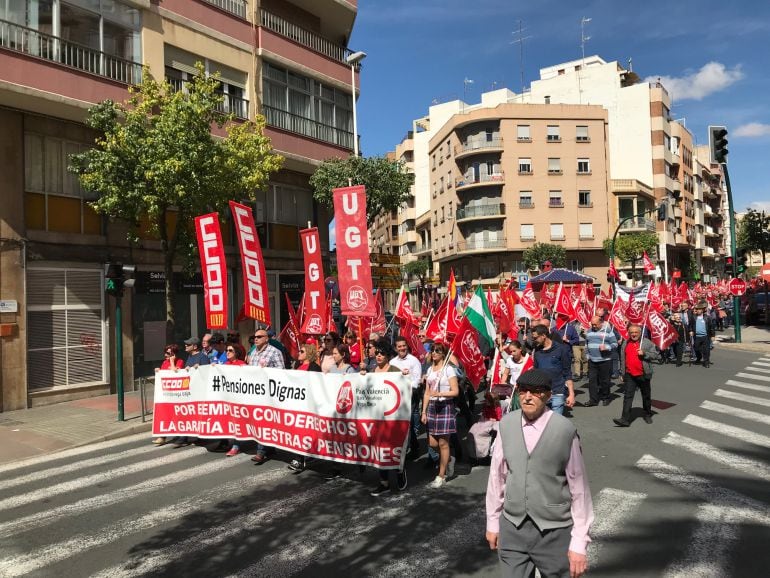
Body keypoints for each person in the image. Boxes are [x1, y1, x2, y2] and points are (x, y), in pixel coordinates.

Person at [486, 369, 594, 578]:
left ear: (547, 395)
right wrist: (492, 521)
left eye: (535, 392)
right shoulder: (506, 425)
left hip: (554, 531)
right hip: (513, 528)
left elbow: (579, 488)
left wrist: (579, 541)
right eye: (523, 391)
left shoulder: (564, 430)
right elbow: (497, 476)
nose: (528, 397)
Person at [366, 340, 408, 495]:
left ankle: (400, 470)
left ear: (388, 355)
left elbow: (404, 391)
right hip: (376, 419)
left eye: (382, 353)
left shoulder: (394, 371)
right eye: (376, 353)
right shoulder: (371, 371)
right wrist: (362, 377)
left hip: (393, 419)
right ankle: (384, 483)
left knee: (393, 448)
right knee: (379, 450)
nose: (378, 356)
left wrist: (404, 377)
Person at [421, 341, 460, 489]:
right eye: (433, 350)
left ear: (443, 353)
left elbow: (455, 391)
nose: (434, 353)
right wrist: (424, 411)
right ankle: (448, 458)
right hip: (432, 407)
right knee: (432, 443)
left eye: (437, 351)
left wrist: (440, 393)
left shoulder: (448, 370)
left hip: (445, 406)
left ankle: (441, 475)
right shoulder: (430, 370)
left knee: (443, 443)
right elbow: (427, 393)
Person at [250, 329, 285, 465]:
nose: (256, 339)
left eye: (259, 336)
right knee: (261, 420)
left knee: (263, 420)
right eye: (255, 336)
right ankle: (269, 448)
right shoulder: (253, 352)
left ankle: (260, 452)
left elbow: (281, 371)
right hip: (255, 392)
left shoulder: (274, 352)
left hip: (268, 392)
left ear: (266, 338)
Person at [613, 324, 658, 427]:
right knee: (628, 396)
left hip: (643, 374)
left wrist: (644, 354)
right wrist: (622, 373)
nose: (633, 334)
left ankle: (647, 414)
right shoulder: (625, 342)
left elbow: (656, 355)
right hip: (630, 374)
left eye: (636, 332)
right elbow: (623, 358)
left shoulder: (646, 342)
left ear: (640, 332)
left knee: (646, 396)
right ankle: (624, 419)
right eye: (631, 332)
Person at [170, 337, 211, 448]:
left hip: (199, 392)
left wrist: (199, 369)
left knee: (198, 416)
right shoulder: (189, 357)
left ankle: (201, 436)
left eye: (188, 345)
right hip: (189, 391)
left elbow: (207, 374)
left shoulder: (203, 357)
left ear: (195, 346)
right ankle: (184, 436)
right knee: (187, 414)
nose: (186, 346)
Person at [389, 336, 424, 459]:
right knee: (404, 424)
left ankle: (407, 449)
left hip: (410, 394)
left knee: (406, 423)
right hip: (396, 397)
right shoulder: (392, 362)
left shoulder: (414, 361)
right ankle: (414, 446)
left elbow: (417, 379)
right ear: (395, 348)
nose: (402, 348)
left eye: (404, 345)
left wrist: (407, 387)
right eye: (399, 346)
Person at [531, 325, 575, 415]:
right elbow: (536, 372)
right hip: (542, 393)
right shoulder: (537, 351)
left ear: (543, 336)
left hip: (557, 391)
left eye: (535, 338)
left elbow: (567, 372)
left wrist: (571, 394)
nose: (534, 340)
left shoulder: (561, 349)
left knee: (555, 422)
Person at [153, 344, 185, 446]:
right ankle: (162, 437)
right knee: (165, 415)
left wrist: (172, 361)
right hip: (166, 394)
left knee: (177, 416)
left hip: (177, 394)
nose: (165, 354)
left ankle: (181, 437)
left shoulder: (180, 361)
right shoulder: (164, 362)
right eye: (165, 352)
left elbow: (175, 372)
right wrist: (159, 371)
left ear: (173, 354)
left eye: (168, 353)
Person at [584, 316, 618, 407]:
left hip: (605, 360)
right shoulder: (589, 331)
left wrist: (607, 347)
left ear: (601, 323)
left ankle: (605, 397)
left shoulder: (608, 331)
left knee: (605, 381)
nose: (593, 326)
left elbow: (615, 343)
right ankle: (593, 400)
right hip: (592, 360)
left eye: (595, 324)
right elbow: (586, 344)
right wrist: (587, 355)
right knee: (592, 381)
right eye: (592, 324)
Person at [468, 391, 502, 462]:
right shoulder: (485, 406)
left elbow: (499, 418)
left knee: (479, 435)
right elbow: (484, 414)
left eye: (487, 400)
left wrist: (491, 419)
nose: (485, 401)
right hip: (484, 421)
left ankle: (481, 453)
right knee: (472, 431)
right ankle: (473, 453)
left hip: (493, 423)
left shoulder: (497, 408)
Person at [692, 302, 715, 367]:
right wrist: (690, 331)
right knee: (696, 348)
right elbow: (690, 326)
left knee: (706, 350)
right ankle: (699, 357)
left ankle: (706, 362)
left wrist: (713, 335)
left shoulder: (707, 317)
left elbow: (711, 327)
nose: (698, 310)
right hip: (697, 336)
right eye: (697, 309)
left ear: (702, 310)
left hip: (705, 336)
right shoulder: (693, 317)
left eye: (699, 309)